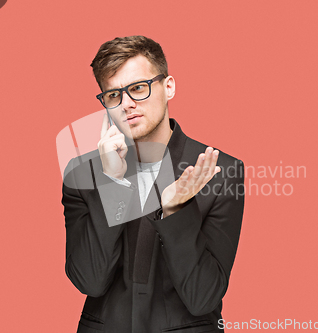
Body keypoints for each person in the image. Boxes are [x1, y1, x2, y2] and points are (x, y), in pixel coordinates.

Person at [61, 35, 245, 333]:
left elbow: (203, 298)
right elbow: (90, 280)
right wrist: (112, 184)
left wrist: (176, 212)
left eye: (138, 88)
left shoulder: (220, 171)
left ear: (168, 86)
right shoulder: (82, 173)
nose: (127, 104)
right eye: (113, 95)